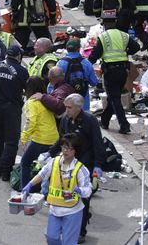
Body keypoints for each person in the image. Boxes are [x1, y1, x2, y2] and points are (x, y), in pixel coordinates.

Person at [48, 94, 105, 241]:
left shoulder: (89, 120)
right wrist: (50, 153)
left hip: (85, 162)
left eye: (69, 107)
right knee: (68, 195)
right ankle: (69, 224)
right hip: (69, 162)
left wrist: (98, 164)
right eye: (65, 107)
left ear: (78, 107)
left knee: (83, 197)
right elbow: (62, 140)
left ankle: (80, 231)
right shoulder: (65, 119)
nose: (66, 110)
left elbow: (97, 143)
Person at [23, 134, 93, 245]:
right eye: (64, 147)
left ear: (75, 151)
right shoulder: (54, 162)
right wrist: (30, 185)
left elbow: (88, 189)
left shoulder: (81, 169)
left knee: (69, 242)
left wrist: (81, 191)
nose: (65, 151)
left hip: (72, 211)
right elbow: (42, 174)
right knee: (51, 238)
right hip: (55, 209)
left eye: (69, 149)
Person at [86, 12, 141, 133]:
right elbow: (136, 47)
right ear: (115, 22)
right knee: (113, 97)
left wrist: (86, 64)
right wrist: (126, 52)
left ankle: (124, 125)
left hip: (110, 72)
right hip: (123, 71)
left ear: (104, 24)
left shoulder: (103, 37)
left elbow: (95, 54)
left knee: (114, 98)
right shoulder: (124, 35)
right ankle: (105, 121)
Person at [0, 45, 29, 181]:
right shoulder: (22, 71)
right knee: (11, 140)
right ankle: (6, 171)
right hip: (12, 108)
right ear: (18, 56)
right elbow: (27, 89)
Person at [19, 76, 58, 188]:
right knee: (48, 165)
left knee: (25, 162)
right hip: (54, 138)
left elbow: (31, 121)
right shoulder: (46, 100)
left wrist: (24, 137)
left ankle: (25, 189)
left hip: (41, 139)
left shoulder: (31, 102)